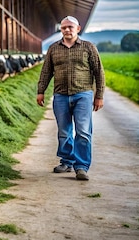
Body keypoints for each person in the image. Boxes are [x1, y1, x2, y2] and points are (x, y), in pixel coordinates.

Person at [36, 15, 105, 181]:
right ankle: (66, 161)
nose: (67, 30)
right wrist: (41, 90)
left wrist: (99, 95)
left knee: (83, 131)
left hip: (83, 94)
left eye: (70, 27)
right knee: (64, 131)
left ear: (78, 29)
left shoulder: (89, 47)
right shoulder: (53, 48)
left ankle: (81, 167)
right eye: (64, 27)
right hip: (60, 95)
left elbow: (99, 72)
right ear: (61, 29)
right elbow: (46, 72)